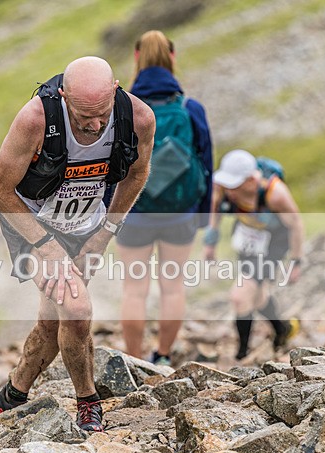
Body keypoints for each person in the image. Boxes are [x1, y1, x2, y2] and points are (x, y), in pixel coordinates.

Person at [0, 56, 154, 432]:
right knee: (77, 310)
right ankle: (88, 403)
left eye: (102, 115)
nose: (95, 126)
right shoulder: (35, 119)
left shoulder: (138, 119)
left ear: (115, 90)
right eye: (83, 117)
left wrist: (103, 235)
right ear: (63, 96)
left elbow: (137, 173)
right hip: (33, 224)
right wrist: (47, 246)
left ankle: (11, 397)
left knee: (54, 320)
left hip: (88, 226)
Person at [116, 30, 213, 366]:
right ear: (172, 58)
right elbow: (206, 162)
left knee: (134, 289)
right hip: (179, 213)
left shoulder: (124, 107)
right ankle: (163, 356)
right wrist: (202, 215)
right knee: (173, 287)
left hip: (134, 212)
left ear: (136, 57)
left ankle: (133, 361)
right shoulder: (190, 108)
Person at [203, 149, 304, 361]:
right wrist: (210, 243)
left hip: (273, 244)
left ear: (251, 180)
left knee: (239, 296)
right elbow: (215, 210)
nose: (229, 191)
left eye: (234, 185)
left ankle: (242, 355)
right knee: (256, 296)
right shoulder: (223, 189)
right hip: (247, 239)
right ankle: (283, 329)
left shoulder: (275, 194)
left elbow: (295, 224)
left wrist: (296, 262)